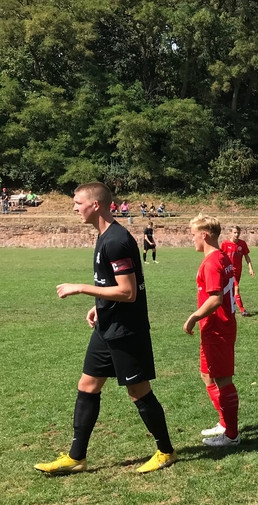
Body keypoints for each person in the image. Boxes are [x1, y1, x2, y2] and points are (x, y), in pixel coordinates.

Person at [34, 182, 176, 475]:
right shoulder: (104, 236)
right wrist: (99, 305)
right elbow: (110, 284)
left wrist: (81, 288)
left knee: (138, 391)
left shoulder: (116, 240)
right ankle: (76, 458)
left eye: (78, 203)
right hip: (106, 325)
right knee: (87, 386)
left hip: (126, 330)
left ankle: (165, 451)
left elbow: (128, 292)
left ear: (95, 205)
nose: (74, 208)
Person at [184, 213, 241, 447]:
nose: (192, 239)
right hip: (213, 327)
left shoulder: (212, 262)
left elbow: (216, 298)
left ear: (204, 235)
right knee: (207, 375)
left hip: (218, 328)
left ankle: (232, 435)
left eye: (193, 235)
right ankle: (224, 423)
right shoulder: (222, 257)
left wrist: (194, 316)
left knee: (223, 379)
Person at [221, 226, 255, 316]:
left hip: (238, 271)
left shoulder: (242, 244)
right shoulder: (225, 244)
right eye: (235, 233)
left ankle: (227, 307)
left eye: (238, 233)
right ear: (230, 233)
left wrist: (250, 268)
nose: (236, 235)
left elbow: (247, 257)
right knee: (236, 288)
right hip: (228, 271)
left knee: (232, 290)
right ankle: (242, 310)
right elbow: (220, 257)